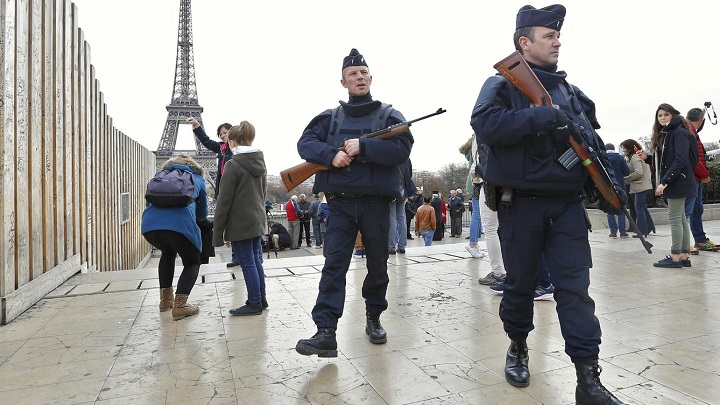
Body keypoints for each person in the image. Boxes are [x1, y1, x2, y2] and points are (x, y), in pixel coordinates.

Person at [470, 5, 626, 404]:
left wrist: (610, 186)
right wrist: (540, 119)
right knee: (521, 285)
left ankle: (587, 378)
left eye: (558, 37)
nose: (558, 42)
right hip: (519, 207)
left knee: (575, 290)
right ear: (525, 43)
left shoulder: (571, 93)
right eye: (549, 36)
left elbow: (590, 144)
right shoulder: (501, 85)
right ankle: (518, 345)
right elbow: (485, 124)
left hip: (566, 207)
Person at [295, 48, 413, 357]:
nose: (358, 77)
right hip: (341, 205)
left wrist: (365, 147)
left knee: (378, 265)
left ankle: (373, 316)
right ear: (343, 82)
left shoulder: (389, 115)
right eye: (352, 74)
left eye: (363, 72)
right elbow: (305, 143)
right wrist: (331, 154)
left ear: (370, 77)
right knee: (334, 266)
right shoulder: (330, 118)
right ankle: (325, 330)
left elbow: (402, 149)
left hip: (375, 205)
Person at [141, 153, 208, 321]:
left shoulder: (159, 176)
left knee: (168, 253)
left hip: (151, 227)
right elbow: (202, 214)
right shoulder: (197, 179)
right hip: (180, 227)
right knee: (192, 261)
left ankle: (165, 301)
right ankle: (180, 306)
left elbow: (149, 203)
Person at [212, 121, 269, 316]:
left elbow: (223, 202)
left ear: (233, 142)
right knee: (255, 260)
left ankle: (254, 302)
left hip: (240, 222)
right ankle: (261, 298)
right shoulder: (260, 162)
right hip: (256, 219)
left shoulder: (233, 165)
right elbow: (263, 193)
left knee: (247, 262)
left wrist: (218, 232)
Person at [186, 117, 239, 268]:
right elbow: (206, 141)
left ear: (232, 132)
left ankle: (238, 256)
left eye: (225, 132)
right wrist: (197, 126)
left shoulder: (236, 150)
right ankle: (236, 256)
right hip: (224, 190)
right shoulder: (221, 149)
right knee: (230, 223)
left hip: (233, 190)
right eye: (220, 134)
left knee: (234, 223)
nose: (222, 136)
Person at [648, 104, 695, 268]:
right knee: (681, 219)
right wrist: (647, 158)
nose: (662, 118)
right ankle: (683, 256)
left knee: (675, 219)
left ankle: (675, 257)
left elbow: (680, 160)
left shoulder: (678, 132)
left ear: (673, 116)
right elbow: (666, 160)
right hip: (680, 180)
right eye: (659, 115)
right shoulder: (671, 133)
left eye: (666, 115)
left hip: (677, 181)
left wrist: (665, 181)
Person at [685, 107, 717, 252]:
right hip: (693, 178)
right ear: (701, 120)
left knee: (696, 209)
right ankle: (686, 243)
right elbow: (695, 159)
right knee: (688, 211)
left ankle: (700, 240)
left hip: (694, 178)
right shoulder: (690, 133)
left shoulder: (690, 131)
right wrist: (705, 175)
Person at [620, 139, 655, 239]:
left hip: (640, 186)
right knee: (642, 207)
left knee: (638, 208)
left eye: (624, 148)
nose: (623, 150)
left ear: (630, 148)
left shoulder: (635, 157)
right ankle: (649, 227)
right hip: (644, 185)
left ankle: (642, 231)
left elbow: (639, 172)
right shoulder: (637, 156)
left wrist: (627, 179)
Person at [461, 134, 485, 258]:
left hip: (473, 181)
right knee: (477, 214)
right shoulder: (479, 144)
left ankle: (474, 243)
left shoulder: (470, 150)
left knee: (477, 213)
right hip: (478, 180)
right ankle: (473, 244)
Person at [389, 161, 415, 254]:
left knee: (392, 218)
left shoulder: (389, 153)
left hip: (392, 190)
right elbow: (410, 173)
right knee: (401, 217)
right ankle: (402, 246)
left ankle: (391, 246)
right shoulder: (405, 156)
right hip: (404, 190)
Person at [605, 143, 630, 238]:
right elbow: (627, 172)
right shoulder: (620, 158)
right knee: (622, 208)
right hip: (620, 186)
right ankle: (623, 231)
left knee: (610, 210)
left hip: (607, 187)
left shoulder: (603, 158)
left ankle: (613, 232)